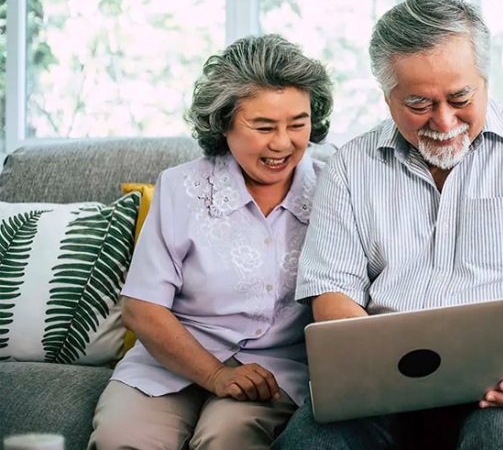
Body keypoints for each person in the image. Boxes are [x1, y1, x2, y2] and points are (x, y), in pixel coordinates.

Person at [273, 0, 503, 450]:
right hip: (383, 382)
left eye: (460, 97)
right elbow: (333, 291)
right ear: (387, 96)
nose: (444, 120)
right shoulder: (350, 166)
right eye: (419, 104)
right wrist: (375, 366)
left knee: (499, 442)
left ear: (485, 80)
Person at [88, 34, 334, 450]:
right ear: (223, 123)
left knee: (227, 438)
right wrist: (216, 375)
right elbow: (142, 307)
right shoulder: (180, 187)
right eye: (263, 127)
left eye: (298, 124)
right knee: (123, 438)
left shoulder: (335, 189)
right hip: (169, 360)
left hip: (275, 371)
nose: (282, 143)